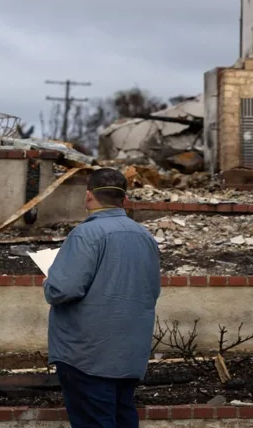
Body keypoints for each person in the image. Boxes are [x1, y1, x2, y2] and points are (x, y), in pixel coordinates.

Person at [43, 168, 161, 428]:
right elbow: (152, 290)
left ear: (88, 197)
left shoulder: (86, 235)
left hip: (87, 356)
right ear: (125, 200)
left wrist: (49, 281)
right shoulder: (146, 238)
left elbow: (61, 290)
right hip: (129, 354)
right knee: (123, 417)